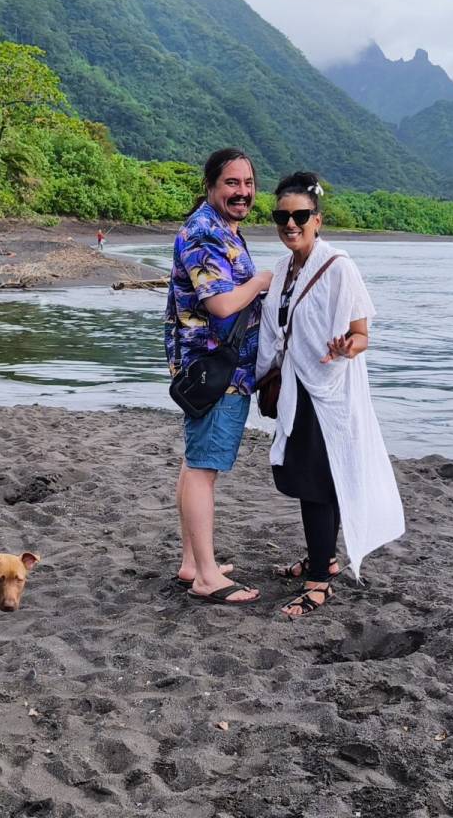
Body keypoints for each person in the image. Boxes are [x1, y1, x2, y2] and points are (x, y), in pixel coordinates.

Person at [255, 172, 405, 619]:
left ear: (317, 220)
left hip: (327, 393)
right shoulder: (282, 270)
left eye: (300, 215)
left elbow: (362, 336)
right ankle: (325, 559)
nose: (290, 224)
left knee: (318, 484)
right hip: (296, 391)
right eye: (282, 216)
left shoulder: (339, 266)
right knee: (310, 481)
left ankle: (319, 580)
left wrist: (346, 348)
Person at [165, 148, 273, 605]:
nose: (242, 192)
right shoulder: (204, 233)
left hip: (219, 367)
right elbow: (223, 304)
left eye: (248, 184)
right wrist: (264, 280)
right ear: (211, 185)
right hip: (215, 370)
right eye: (232, 183)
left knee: (196, 462)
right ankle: (207, 576)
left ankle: (194, 563)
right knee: (204, 468)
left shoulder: (224, 230)